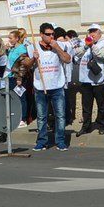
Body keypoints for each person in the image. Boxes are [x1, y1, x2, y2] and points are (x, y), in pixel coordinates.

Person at [28, 21, 72, 151]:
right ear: (41, 34)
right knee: (42, 117)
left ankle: (60, 141)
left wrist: (57, 48)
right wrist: (33, 59)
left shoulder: (59, 45)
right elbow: (27, 66)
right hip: (41, 87)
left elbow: (67, 59)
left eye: (53, 34)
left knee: (60, 115)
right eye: (48, 34)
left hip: (57, 86)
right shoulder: (33, 47)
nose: (51, 36)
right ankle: (42, 141)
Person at [77, 24, 104, 136]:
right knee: (86, 106)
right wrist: (86, 46)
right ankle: (86, 126)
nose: (91, 34)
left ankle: (102, 125)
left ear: (99, 33)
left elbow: (102, 56)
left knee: (101, 104)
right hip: (86, 80)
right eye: (90, 31)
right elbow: (77, 54)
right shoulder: (84, 43)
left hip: (99, 80)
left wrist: (92, 46)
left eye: (94, 31)